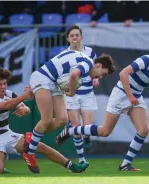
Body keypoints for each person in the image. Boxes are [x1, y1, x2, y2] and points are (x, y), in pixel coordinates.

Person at [58, 40, 149, 171]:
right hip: (121, 93)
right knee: (104, 131)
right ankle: (71, 130)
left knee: (143, 130)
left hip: (135, 96)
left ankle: (125, 164)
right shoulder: (146, 60)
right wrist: (130, 95)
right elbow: (123, 73)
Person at [0, 68, 89, 174]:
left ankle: (72, 166)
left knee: (40, 145)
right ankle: (1, 158)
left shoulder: (9, 94)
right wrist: (24, 96)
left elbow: (26, 109)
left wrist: (25, 109)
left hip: (7, 134)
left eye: (4, 83)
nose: (3, 87)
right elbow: (5, 105)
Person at [26, 50, 115, 172]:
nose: (100, 77)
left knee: (63, 119)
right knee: (46, 120)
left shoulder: (84, 61)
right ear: (98, 65)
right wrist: (72, 92)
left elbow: (65, 66)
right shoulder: (88, 63)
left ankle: (31, 138)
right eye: (103, 74)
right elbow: (73, 75)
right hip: (43, 77)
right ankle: (30, 152)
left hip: (53, 81)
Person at [60, 25, 99, 164]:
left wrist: (96, 79)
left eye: (77, 35)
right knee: (77, 129)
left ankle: (86, 137)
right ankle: (82, 159)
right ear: (68, 39)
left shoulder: (90, 52)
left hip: (88, 93)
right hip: (71, 95)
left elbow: (96, 71)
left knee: (87, 128)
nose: (75, 38)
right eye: (72, 36)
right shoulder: (63, 55)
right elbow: (61, 76)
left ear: (81, 37)